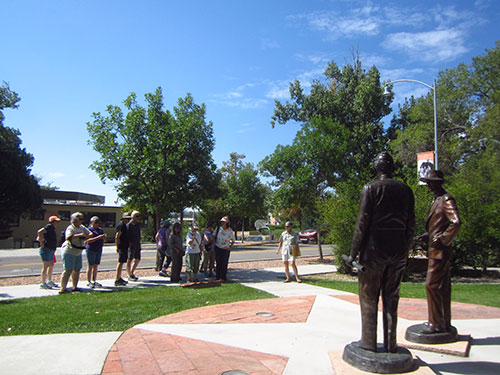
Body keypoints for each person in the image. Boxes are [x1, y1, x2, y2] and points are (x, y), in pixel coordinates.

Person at [346, 152, 415, 353]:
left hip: (373, 252)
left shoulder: (370, 188)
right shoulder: (406, 190)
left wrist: (352, 255)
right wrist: (405, 249)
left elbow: (361, 225)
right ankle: (391, 344)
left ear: (377, 167)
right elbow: (411, 226)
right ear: (392, 167)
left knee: (369, 297)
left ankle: (368, 342)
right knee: (392, 297)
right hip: (398, 252)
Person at [418, 170, 461, 334]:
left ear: (438, 183)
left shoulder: (446, 199)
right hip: (435, 250)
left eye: (431, 182)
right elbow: (439, 225)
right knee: (442, 288)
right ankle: (443, 322)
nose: (428, 185)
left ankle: (435, 324)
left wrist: (443, 239)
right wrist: (428, 236)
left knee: (432, 285)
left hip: (439, 252)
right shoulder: (436, 200)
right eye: (427, 181)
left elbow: (456, 222)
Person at [59, 212, 91, 294]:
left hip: (78, 251)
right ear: (75, 220)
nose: (81, 221)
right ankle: (63, 289)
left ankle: (75, 287)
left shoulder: (81, 227)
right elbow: (68, 237)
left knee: (77, 269)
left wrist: (86, 236)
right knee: (68, 270)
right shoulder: (70, 228)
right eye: (80, 219)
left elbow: (90, 233)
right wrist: (79, 235)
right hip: (69, 251)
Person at [37, 215, 62, 289]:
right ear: (52, 222)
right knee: (45, 266)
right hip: (46, 249)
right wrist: (41, 243)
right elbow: (40, 231)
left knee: (51, 265)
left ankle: (49, 280)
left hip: (51, 249)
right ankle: (43, 283)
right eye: (56, 221)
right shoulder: (48, 226)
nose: (57, 223)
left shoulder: (52, 229)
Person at [85, 216, 106, 288]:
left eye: (98, 222)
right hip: (91, 249)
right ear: (91, 222)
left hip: (98, 249)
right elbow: (88, 241)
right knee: (90, 265)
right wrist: (98, 237)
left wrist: (103, 238)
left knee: (96, 265)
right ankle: (88, 281)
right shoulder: (88, 230)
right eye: (95, 222)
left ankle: (94, 280)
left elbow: (103, 239)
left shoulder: (100, 230)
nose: (97, 224)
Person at [215, 216, 235, 282]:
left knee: (224, 263)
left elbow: (233, 240)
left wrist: (230, 246)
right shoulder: (218, 229)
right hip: (218, 247)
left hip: (226, 248)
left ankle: (223, 277)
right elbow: (213, 236)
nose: (222, 223)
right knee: (218, 263)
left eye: (224, 222)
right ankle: (218, 277)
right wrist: (215, 244)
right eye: (222, 222)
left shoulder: (230, 230)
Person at [114, 212, 131, 286]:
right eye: (127, 218)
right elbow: (117, 236)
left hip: (125, 246)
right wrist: (117, 246)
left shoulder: (125, 225)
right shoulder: (121, 225)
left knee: (122, 262)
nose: (128, 220)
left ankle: (119, 277)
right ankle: (117, 279)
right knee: (120, 262)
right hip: (122, 246)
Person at [126, 210, 141, 281]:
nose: (138, 218)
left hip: (137, 244)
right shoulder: (129, 225)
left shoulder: (138, 225)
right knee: (129, 259)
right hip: (131, 244)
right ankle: (128, 274)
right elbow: (127, 235)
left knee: (137, 259)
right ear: (133, 217)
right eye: (136, 216)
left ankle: (132, 272)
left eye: (139, 216)